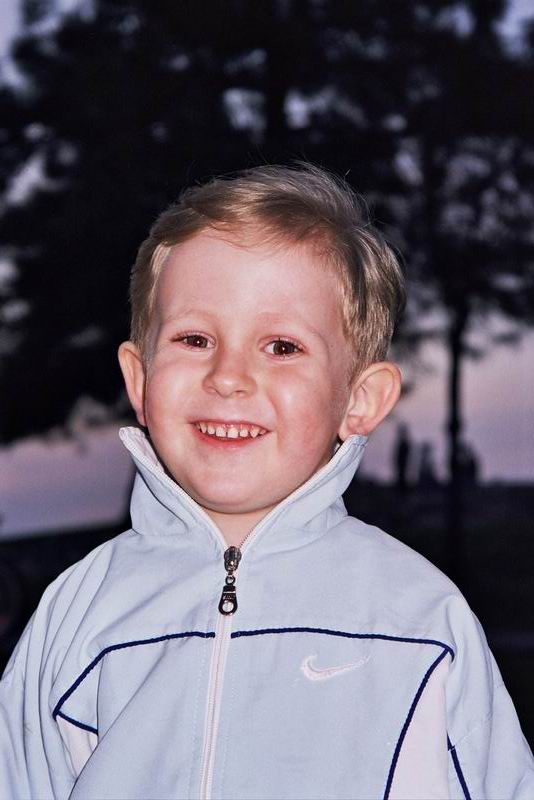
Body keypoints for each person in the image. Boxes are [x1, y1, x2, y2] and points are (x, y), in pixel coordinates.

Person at [1, 164, 532, 800]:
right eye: (195, 339)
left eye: (281, 347)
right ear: (139, 381)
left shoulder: (420, 621)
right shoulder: (78, 612)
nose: (228, 377)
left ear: (359, 399)